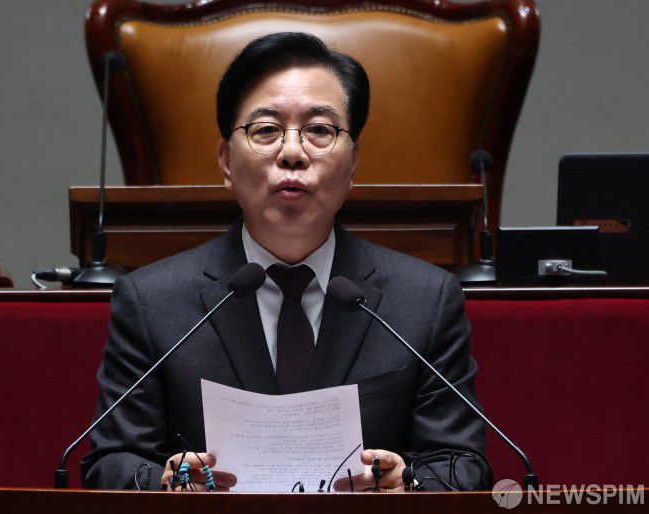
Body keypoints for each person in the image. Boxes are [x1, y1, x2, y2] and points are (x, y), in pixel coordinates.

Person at [81, 32, 492, 492]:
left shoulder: (425, 301)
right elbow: (110, 461)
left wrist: (408, 485)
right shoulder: (152, 302)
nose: (292, 153)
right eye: (265, 130)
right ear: (226, 161)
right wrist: (165, 484)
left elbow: (463, 463)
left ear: (353, 161)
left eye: (319, 130)